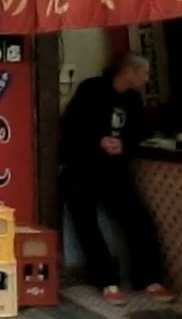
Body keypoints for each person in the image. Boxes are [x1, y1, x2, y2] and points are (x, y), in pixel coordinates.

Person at [60, 53, 173, 306]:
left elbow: (137, 132)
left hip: (113, 170)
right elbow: (70, 127)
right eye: (143, 73)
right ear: (129, 71)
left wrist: (123, 144)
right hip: (81, 168)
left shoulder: (133, 100)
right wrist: (98, 140)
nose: (146, 79)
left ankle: (149, 278)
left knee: (139, 219)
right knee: (87, 226)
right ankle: (105, 281)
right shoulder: (91, 89)